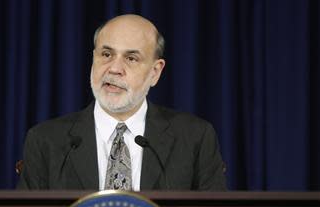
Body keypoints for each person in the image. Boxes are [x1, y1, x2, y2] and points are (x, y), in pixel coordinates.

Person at [17, 14, 226, 191]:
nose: (114, 68)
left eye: (131, 58)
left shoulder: (195, 138)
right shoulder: (46, 141)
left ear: (155, 72)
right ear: (93, 58)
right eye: (106, 54)